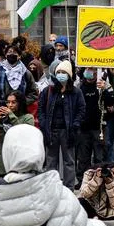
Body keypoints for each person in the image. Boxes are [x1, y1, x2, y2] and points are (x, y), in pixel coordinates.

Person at [37, 60, 83, 190]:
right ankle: (52, 188)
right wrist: (43, 124)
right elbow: (41, 109)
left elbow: (81, 109)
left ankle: (69, 188)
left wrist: (75, 125)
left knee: (69, 161)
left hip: (68, 131)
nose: (61, 75)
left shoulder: (76, 92)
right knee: (51, 161)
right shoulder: (48, 91)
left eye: (64, 72)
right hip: (51, 131)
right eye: (59, 72)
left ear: (69, 75)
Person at [75, 68, 112, 177]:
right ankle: (82, 179)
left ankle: (100, 179)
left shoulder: (103, 86)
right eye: (88, 70)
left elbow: (111, 102)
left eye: (93, 71)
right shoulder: (79, 87)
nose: (90, 73)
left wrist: (105, 89)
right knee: (83, 157)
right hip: (83, 128)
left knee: (99, 157)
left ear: (98, 73)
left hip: (99, 128)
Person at [0, 92, 34, 177]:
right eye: (8, 102)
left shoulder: (28, 117)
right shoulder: (4, 118)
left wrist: (11, 116)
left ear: (20, 103)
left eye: (13, 102)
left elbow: (23, 135)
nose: (10, 105)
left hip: (20, 163)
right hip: (4, 162)